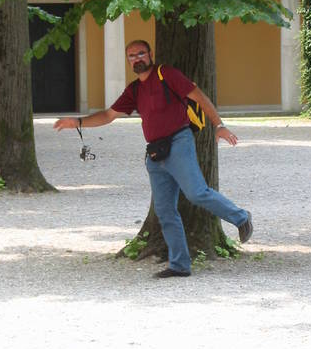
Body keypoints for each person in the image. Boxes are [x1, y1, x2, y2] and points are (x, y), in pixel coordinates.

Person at [54, 39, 253, 278]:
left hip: (179, 143)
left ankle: (241, 217)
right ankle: (180, 265)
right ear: (128, 61)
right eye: (131, 56)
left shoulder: (166, 74)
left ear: (150, 54)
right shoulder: (134, 90)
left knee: (197, 192)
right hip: (156, 153)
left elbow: (199, 96)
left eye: (141, 54)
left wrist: (219, 125)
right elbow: (108, 115)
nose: (137, 59)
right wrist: (77, 122)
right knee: (164, 210)